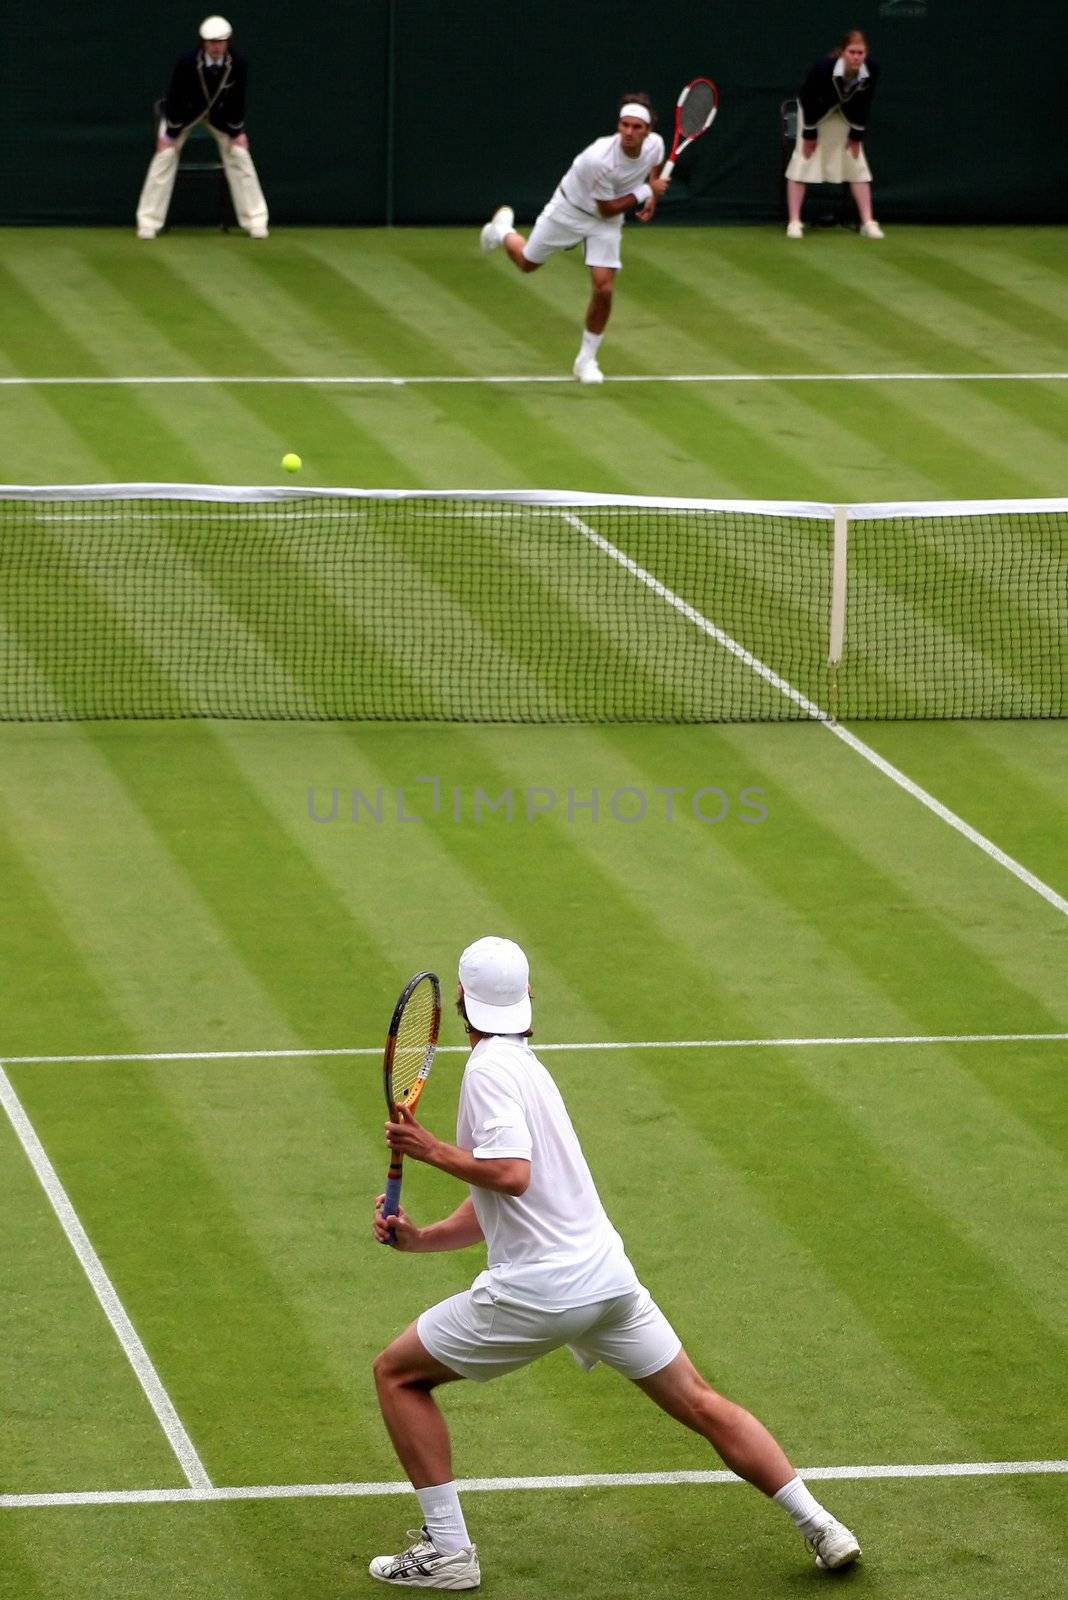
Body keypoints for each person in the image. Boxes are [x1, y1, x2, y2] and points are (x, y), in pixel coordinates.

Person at [369, 935, 862, 1590]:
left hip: (541, 1290)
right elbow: (518, 1196)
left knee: (397, 1375)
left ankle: (449, 1553)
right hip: (606, 1278)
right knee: (700, 1400)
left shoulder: (489, 1073)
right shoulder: (526, 1067)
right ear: (527, 999)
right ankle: (822, 1525)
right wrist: (423, 1237)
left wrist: (428, 1149)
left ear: (459, 1001)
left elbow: (511, 1175)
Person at [478, 96, 671, 385]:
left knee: (604, 288)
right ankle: (503, 230)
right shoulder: (598, 158)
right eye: (624, 125)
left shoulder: (656, 144)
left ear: (647, 130)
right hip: (570, 210)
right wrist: (647, 192)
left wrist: (651, 194)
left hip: (605, 225)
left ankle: (586, 361)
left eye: (636, 127)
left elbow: (652, 166)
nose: (629, 132)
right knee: (526, 263)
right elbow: (606, 207)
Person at [135, 16, 269, 241]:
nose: (216, 47)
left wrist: (236, 132)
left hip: (221, 118)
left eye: (221, 42)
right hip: (184, 115)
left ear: (228, 42)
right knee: (165, 155)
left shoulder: (238, 63)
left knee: (239, 154)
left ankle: (255, 220)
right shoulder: (186, 62)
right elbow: (175, 97)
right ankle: (149, 222)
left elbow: (237, 100)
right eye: (211, 42)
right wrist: (171, 134)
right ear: (203, 43)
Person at [785, 30, 883, 240]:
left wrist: (856, 137)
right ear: (842, 53)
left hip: (847, 116)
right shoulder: (823, 68)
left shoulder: (872, 70)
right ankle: (794, 221)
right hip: (815, 113)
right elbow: (808, 97)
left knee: (856, 162)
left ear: (865, 53)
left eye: (860, 52)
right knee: (804, 160)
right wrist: (809, 133)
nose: (856, 56)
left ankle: (868, 222)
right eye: (852, 52)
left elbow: (866, 102)